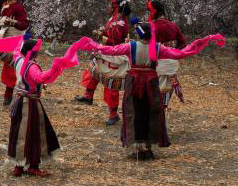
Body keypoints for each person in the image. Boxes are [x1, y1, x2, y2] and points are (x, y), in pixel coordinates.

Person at [74, 23, 224, 161]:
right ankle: (148, 146)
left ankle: (137, 147)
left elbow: (111, 51)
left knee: (133, 112)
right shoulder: (157, 48)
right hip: (151, 83)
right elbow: (179, 54)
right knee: (150, 112)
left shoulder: (131, 46)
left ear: (139, 35)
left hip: (133, 83)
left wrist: (92, 45)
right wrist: (200, 43)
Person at [0, 35, 85, 177]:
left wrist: (25, 37)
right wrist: (56, 66)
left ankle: (19, 166)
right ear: (32, 52)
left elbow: (17, 50)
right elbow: (40, 78)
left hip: (19, 101)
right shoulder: (31, 66)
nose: (38, 52)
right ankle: (33, 166)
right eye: (36, 50)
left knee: (19, 134)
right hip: (31, 104)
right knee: (34, 133)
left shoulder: (18, 60)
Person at [74, 0, 131, 124]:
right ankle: (88, 96)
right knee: (93, 69)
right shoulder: (115, 19)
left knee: (111, 83)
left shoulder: (120, 21)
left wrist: (101, 36)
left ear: (115, 6)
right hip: (106, 52)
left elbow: (115, 41)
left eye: (111, 4)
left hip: (114, 54)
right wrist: (103, 32)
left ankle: (113, 114)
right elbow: (110, 33)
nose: (108, 6)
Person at [147, 0, 187, 108]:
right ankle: (161, 116)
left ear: (154, 11)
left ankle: (155, 119)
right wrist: (173, 53)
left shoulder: (151, 26)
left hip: (155, 66)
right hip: (171, 67)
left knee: (152, 95)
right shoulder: (173, 26)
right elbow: (182, 44)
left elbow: (147, 47)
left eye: (149, 11)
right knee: (165, 93)